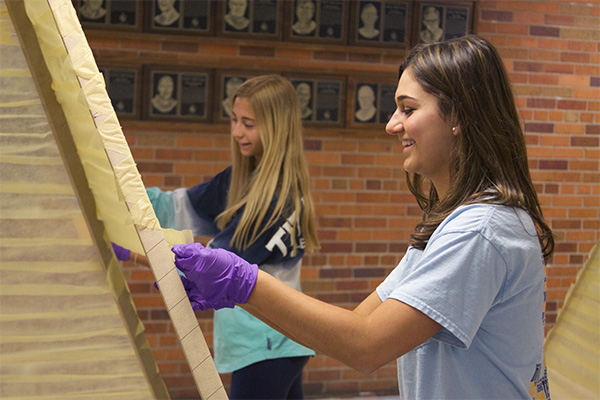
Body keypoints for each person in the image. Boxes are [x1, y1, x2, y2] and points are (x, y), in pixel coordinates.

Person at [171, 36, 554, 399]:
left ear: (459, 116)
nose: (392, 124)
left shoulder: (480, 231)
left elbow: (367, 346)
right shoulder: (453, 222)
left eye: (408, 108)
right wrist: (239, 291)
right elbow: (356, 325)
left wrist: (241, 282)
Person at [146, 75, 320, 399]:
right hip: (278, 344)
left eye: (249, 123)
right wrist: (123, 195)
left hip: (267, 344)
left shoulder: (275, 200)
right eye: (234, 120)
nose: (237, 131)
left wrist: (134, 253)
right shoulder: (243, 180)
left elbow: (210, 266)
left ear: (276, 127)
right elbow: (176, 207)